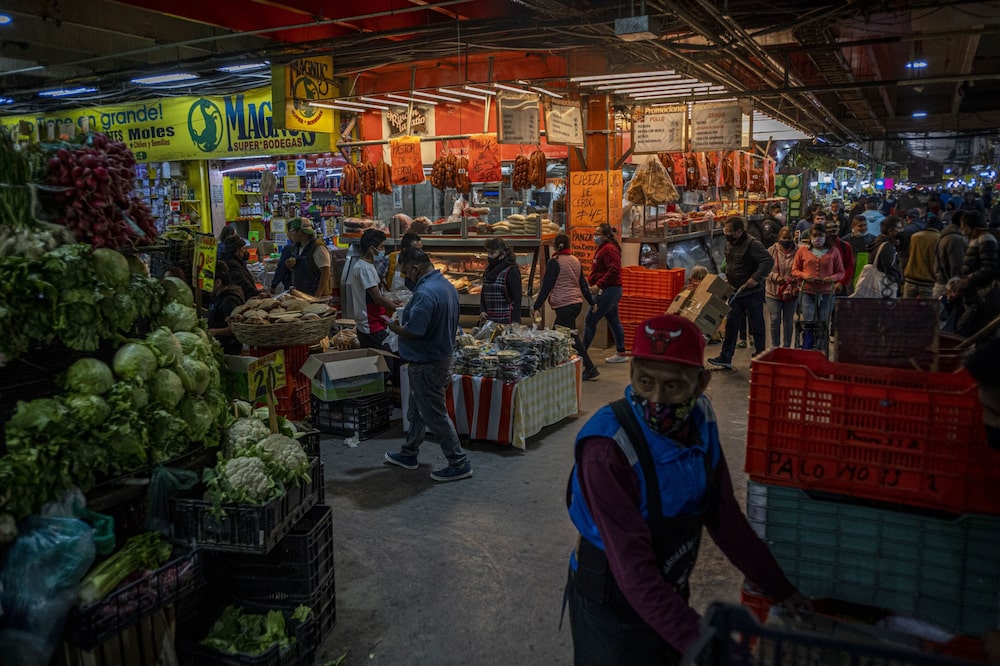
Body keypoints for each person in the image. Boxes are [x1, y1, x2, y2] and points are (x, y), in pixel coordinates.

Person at [564, 314, 808, 665]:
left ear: (701, 382)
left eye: (674, 386)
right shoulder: (607, 451)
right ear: (631, 373)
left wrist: (782, 590)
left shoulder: (700, 418)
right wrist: (707, 644)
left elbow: (723, 515)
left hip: (669, 584)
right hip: (613, 598)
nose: (657, 399)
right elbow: (635, 573)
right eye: (644, 382)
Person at [385, 248, 472, 482]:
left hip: (427, 363)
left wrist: (396, 329)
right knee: (417, 411)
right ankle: (409, 453)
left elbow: (414, 331)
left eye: (405, 271)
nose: (405, 276)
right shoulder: (447, 286)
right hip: (441, 358)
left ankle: (458, 461)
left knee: (435, 415)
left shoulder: (424, 293)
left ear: (415, 268)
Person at [707, 217, 773, 370]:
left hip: (752, 292)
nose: (726, 234)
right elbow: (729, 263)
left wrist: (755, 278)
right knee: (731, 324)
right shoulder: (730, 243)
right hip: (735, 291)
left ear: (739, 231)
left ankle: (759, 357)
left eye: (729, 231)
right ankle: (726, 357)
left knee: (756, 325)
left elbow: (768, 261)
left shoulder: (753, 244)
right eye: (725, 231)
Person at [532, 234, 600, 381]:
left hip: (564, 304)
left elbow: (546, 286)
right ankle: (560, 365)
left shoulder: (554, 262)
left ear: (555, 246)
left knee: (569, 335)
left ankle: (589, 367)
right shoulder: (575, 260)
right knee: (561, 334)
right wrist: (592, 302)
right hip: (576, 303)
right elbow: (583, 284)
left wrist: (536, 305)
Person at [792, 224, 845, 353]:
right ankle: (807, 350)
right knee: (809, 323)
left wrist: (832, 278)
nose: (817, 238)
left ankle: (822, 352)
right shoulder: (802, 251)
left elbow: (841, 272)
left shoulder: (834, 252)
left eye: (820, 235)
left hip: (827, 293)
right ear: (810, 237)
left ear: (825, 236)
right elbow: (794, 270)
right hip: (807, 292)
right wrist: (805, 276)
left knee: (823, 324)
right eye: (814, 235)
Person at [348, 229, 402, 353]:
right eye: (382, 247)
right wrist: (398, 308)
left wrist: (392, 301)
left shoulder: (369, 266)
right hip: (371, 325)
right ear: (372, 249)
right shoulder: (363, 269)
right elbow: (377, 298)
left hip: (378, 320)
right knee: (383, 362)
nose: (384, 250)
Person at [949, 210, 1000, 337]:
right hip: (974, 295)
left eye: (963, 226)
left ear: (967, 226)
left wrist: (967, 281)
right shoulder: (977, 239)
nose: (962, 230)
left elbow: (990, 268)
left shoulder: (985, 239)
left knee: (966, 330)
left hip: (981, 297)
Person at [583, 223, 628, 364]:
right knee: (613, 320)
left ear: (606, 236)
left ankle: (582, 354)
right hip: (610, 289)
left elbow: (614, 270)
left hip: (609, 290)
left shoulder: (609, 249)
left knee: (590, 319)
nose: (595, 237)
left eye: (598, 234)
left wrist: (599, 284)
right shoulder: (603, 248)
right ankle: (621, 352)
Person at [765, 227, 799, 348]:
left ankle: (786, 346)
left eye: (789, 238)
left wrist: (795, 283)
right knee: (775, 319)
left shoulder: (799, 251)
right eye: (784, 238)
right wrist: (775, 277)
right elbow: (765, 269)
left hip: (791, 293)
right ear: (779, 238)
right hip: (772, 292)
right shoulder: (771, 251)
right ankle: (775, 346)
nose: (786, 240)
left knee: (788, 321)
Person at [479, 237, 522, 324]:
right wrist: (482, 310)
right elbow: (483, 293)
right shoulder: (488, 270)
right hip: (489, 320)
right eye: (488, 253)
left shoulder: (511, 271)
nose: (489, 256)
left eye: (493, 253)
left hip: (506, 320)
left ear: (503, 254)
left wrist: (515, 321)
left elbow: (517, 298)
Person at [206, 262, 245, 355]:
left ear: (218, 282)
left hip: (228, 349)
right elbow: (216, 314)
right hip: (219, 345)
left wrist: (215, 332)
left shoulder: (229, 300)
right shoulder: (217, 296)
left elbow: (233, 327)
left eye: (208, 280)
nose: (205, 284)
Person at [287, 218, 331, 297]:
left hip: (316, 294)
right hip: (302, 293)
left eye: (292, 230)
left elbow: (325, 273)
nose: (290, 234)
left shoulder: (318, 248)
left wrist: (317, 296)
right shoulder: (297, 247)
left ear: (300, 232)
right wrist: (290, 265)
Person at [902, 216, 942, 298]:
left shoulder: (915, 236)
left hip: (911, 279)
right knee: (926, 309)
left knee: (906, 308)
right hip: (928, 281)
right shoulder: (939, 239)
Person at [934, 210, 968, 299]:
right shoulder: (956, 239)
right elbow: (957, 266)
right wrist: (956, 286)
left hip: (941, 283)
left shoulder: (945, 235)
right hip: (948, 287)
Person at [219, 234, 264, 301]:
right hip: (239, 300)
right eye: (243, 249)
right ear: (237, 252)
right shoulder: (232, 265)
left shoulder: (236, 261)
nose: (245, 251)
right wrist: (257, 294)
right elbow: (242, 283)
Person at [868, 216, 904, 296]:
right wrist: (898, 281)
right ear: (890, 231)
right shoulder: (887, 247)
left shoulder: (877, 242)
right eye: (899, 228)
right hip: (885, 289)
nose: (902, 231)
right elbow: (890, 269)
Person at [824, 220, 854, 296]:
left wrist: (841, 282)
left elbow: (849, 266)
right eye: (829, 232)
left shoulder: (845, 246)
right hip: (822, 285)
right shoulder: (819, 246)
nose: (832, 234)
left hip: (839, 285)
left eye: (834, 231)